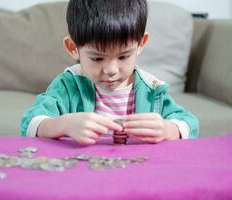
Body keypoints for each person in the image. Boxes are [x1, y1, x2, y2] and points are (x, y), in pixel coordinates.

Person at [21, 0, 199, 145]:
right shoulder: (68, 85)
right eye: (97, 59)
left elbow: (189, 124)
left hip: (139, 174)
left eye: (123, 57)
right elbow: (30, 123)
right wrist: (65, 124)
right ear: (73, 48)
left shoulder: (152, 90)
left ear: (141, 44)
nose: (111, 71)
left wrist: (168, 129)